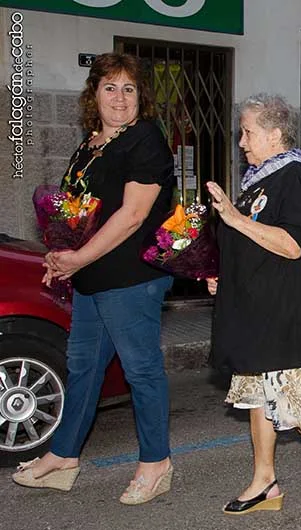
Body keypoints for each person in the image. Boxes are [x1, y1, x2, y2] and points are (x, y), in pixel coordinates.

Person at [12, 53, 176, 505]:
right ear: (94, 95)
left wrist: (78, 257)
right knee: (83, 368)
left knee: (142, 371)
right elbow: (74, 210)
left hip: (130, 278)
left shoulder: (145, 141)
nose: (120, 98)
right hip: (90, 277)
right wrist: (59, 253)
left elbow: (133, 215)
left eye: (129, 89)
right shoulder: (90, 144)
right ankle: (64, 456)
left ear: (141, 97)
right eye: (110, 87)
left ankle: (156, 462)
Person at [205, 93, 301, 515]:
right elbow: (255, 243)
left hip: (287, 312)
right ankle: (265, 482)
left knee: (294, 402)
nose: (241, 141)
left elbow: (293, 245)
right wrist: (228, 276)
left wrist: (235, 219)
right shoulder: (261, 179)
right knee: (257, 394)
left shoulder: (295, 176)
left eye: (248, 132)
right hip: (258, 309)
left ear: (276, 134)